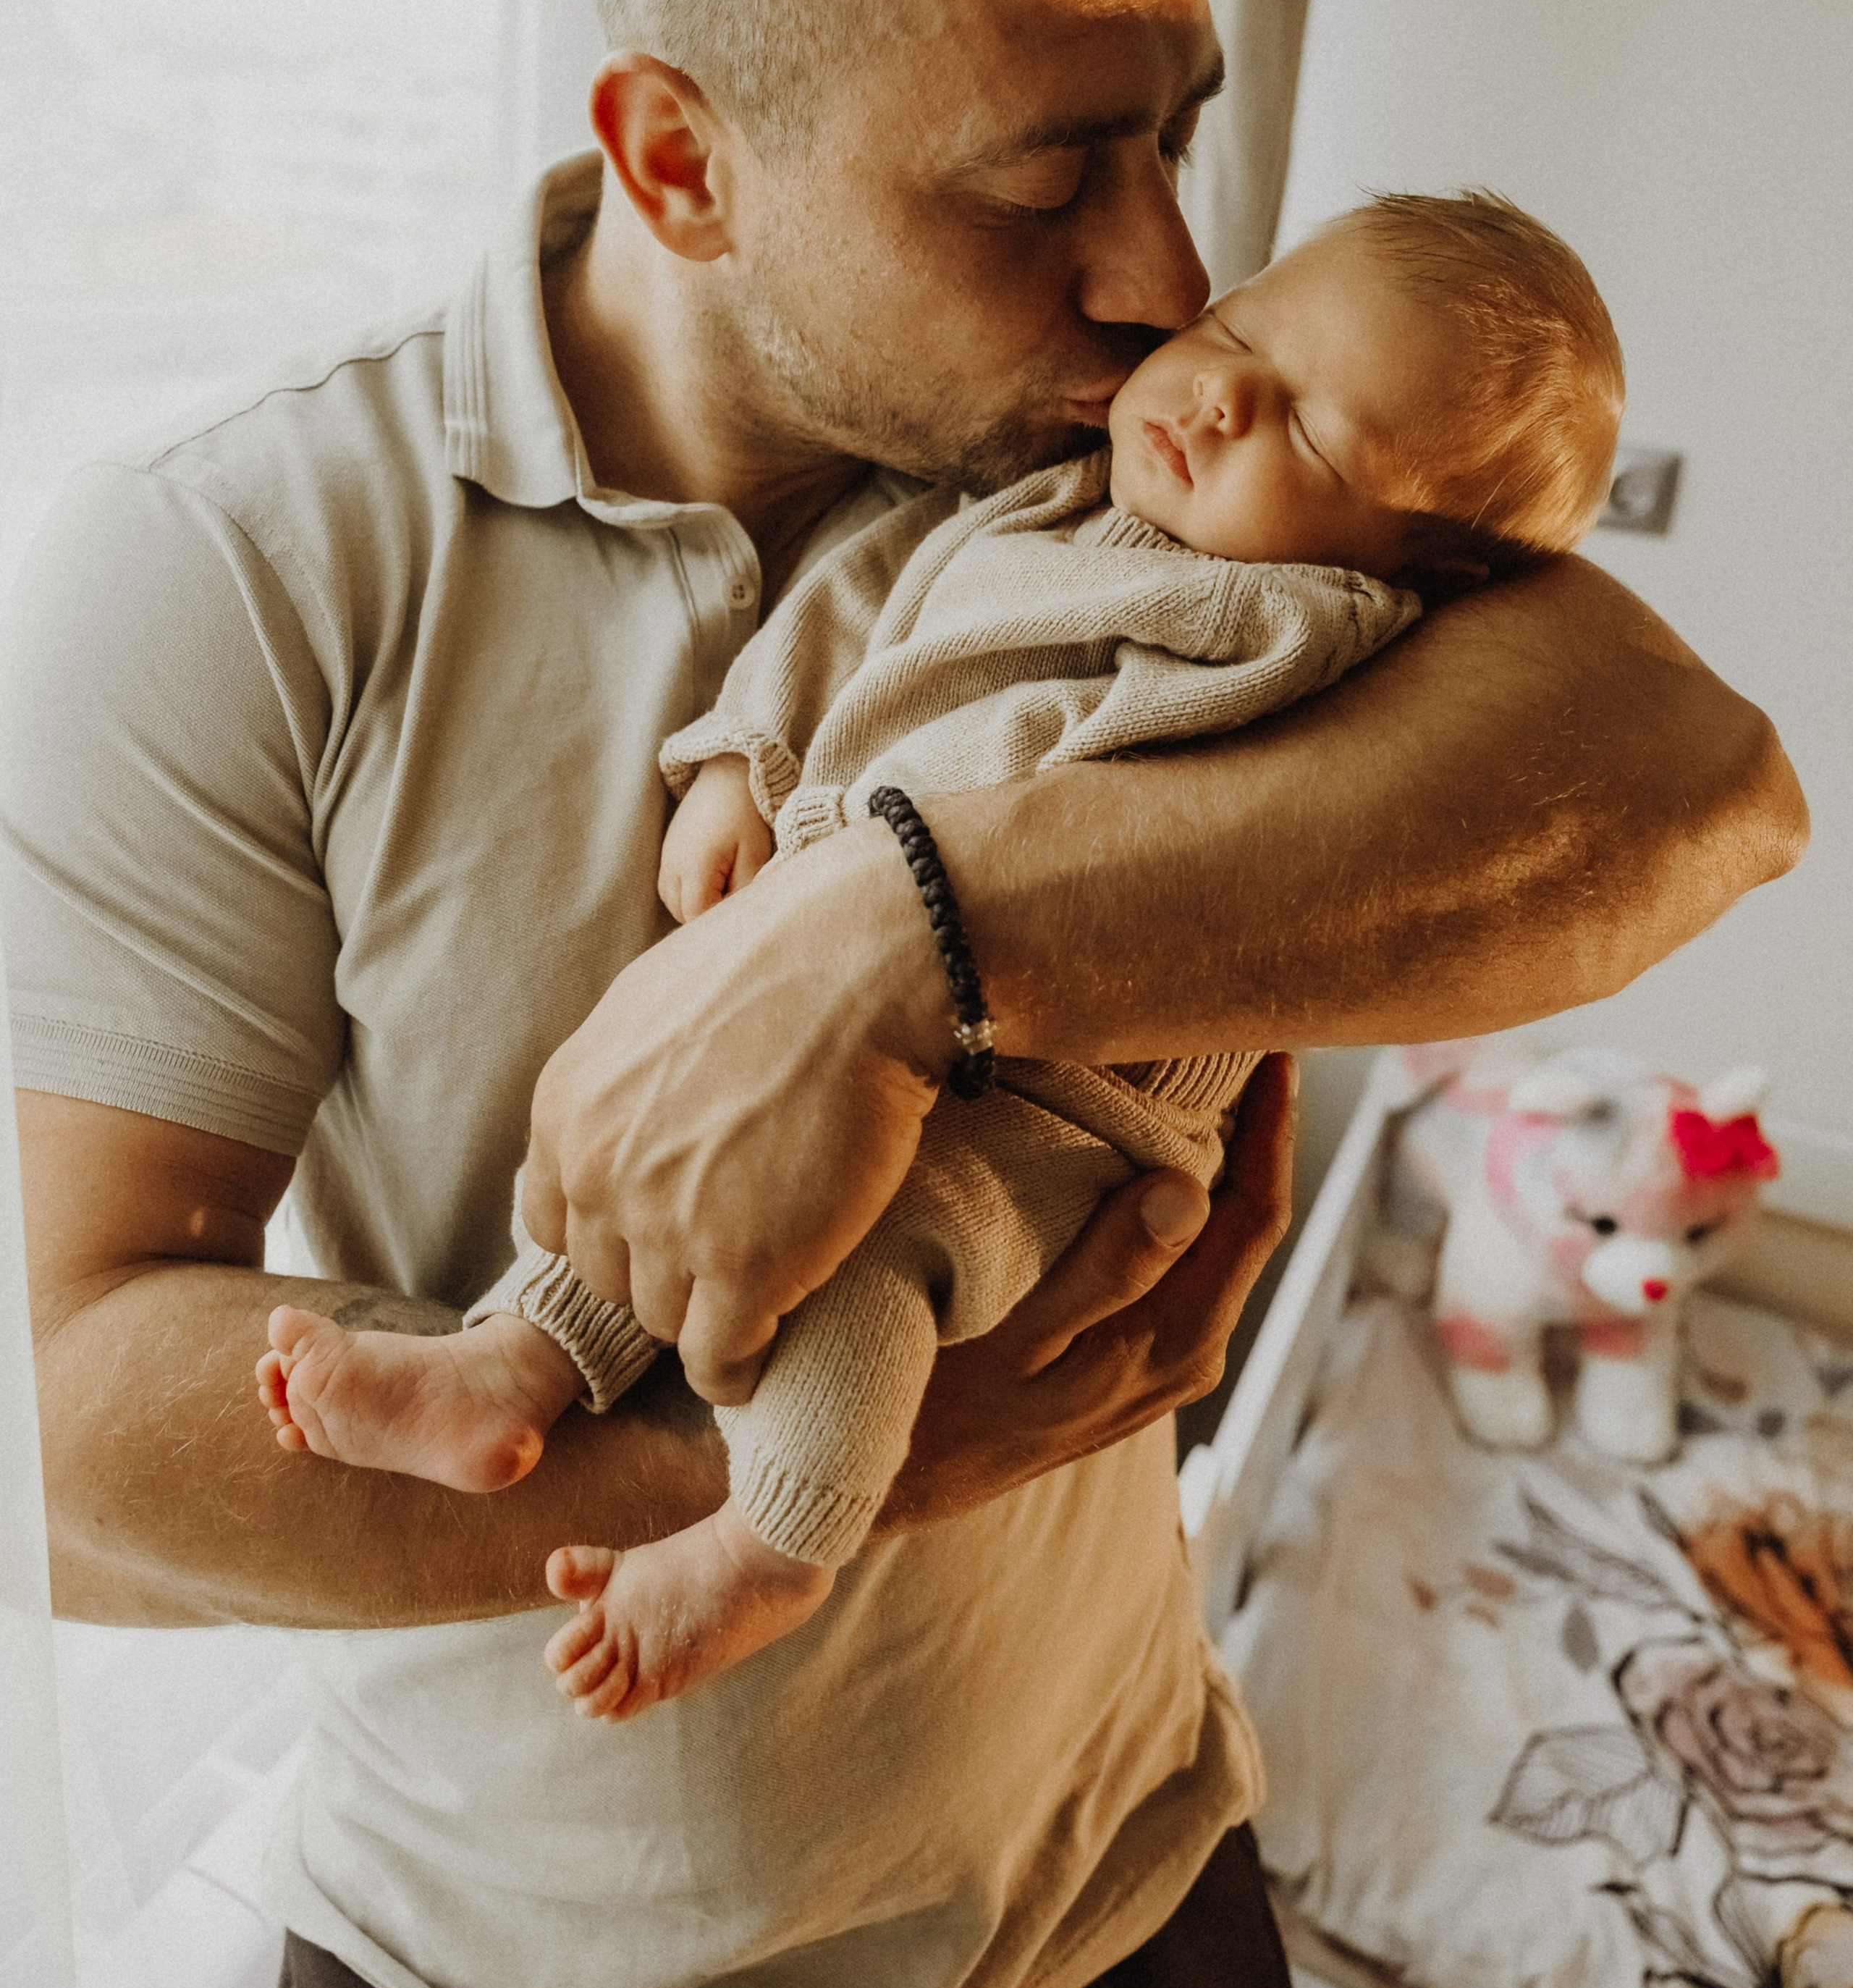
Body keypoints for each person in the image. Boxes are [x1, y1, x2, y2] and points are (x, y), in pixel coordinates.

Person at [4, 0, 1803, 1988]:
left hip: (1133, 1860)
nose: (1168, 271)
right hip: (521, 1961)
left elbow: (1695, 781)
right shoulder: (237, 569)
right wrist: (828, 1473)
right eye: (1046, 178)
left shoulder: (1142, 477)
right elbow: (74, 1449)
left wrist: (898, 932)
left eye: (1178, 131)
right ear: (680, 161)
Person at [254, 188, 1624, 1727]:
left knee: (874, 1254)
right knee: (673, 1163)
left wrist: (920, 913)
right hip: (851, 932)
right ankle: (511, 1366)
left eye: (1307, 433)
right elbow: (861, 603)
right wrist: (750, 754)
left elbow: (1247, 828)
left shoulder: (1319, 635)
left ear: (1417, 568)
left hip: (1059, 1095)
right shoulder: (1048, 500)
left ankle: (776, 1540)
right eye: (1241, 332)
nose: (1222, 398)